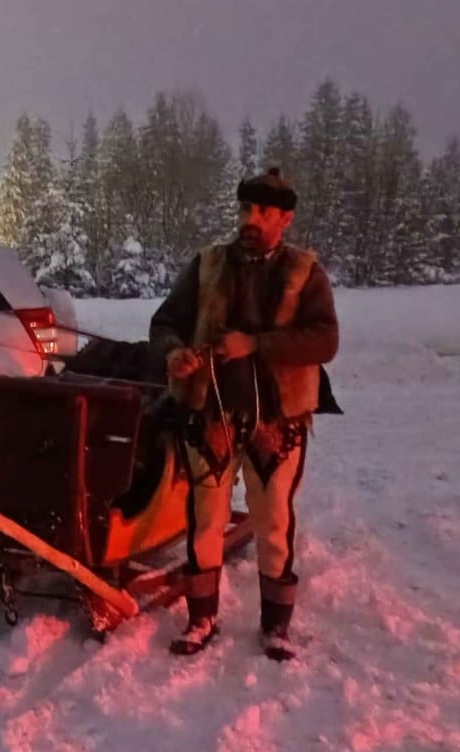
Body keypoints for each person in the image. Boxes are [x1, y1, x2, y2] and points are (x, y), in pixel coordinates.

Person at [148, 167, 340, 661]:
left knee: (273, 522)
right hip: (210, 410)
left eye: (263, 212)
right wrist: (174, 353)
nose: (250, 219)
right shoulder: (208, 264)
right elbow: (165, 321)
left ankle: (275, 628)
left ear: (285, 219)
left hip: (278, 420)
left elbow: (325, 340)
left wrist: (254, 344)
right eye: (245, 209)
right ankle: (202, 619)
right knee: (205, 520)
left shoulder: (305, 273)